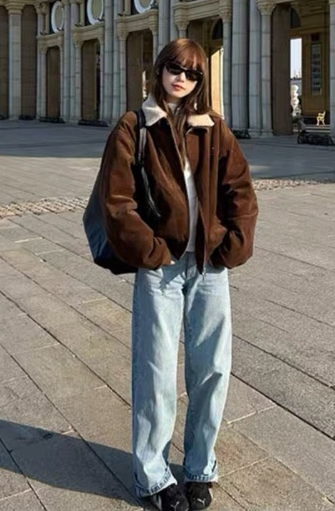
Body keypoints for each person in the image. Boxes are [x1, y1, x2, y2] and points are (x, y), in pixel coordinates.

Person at [98, 39, 258, 511]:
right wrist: (150, 250)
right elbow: (117, 201)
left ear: (200, 80)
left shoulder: (213, 128)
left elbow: (240, 189)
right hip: (161, 269)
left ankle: (200, 468)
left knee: (212, 368)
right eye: (174, 68)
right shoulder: (134, 126)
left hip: (209, 265)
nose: (181, 79)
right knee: (156, 369)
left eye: (192, 73)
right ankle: (152, 476)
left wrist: (234, 243)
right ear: (159, 70)